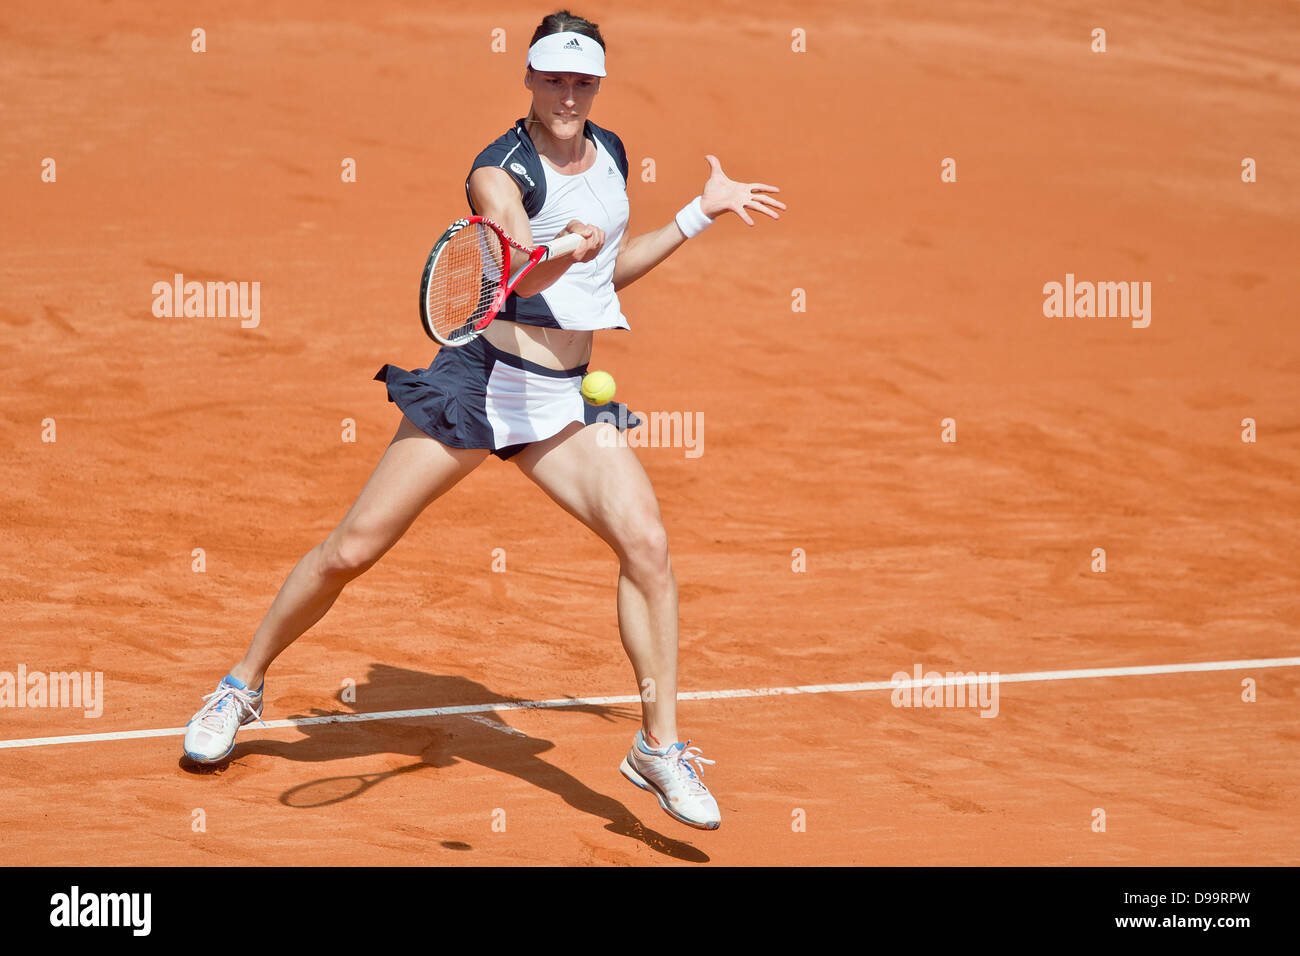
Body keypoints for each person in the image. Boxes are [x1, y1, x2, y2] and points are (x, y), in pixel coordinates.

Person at [182, 9, 784, 831]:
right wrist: (556, 251)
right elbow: (512, 271)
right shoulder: (497, 171)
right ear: (529, 80)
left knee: (645, 542)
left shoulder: (610, 155)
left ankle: (658, 748)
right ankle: (240, 686)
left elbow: (603, 282)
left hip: (562, 401)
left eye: (583, 81)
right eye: (555, 80)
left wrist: (695, 215)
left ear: (598, 84)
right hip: (481, 384)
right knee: (352, 549)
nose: (569, 95)